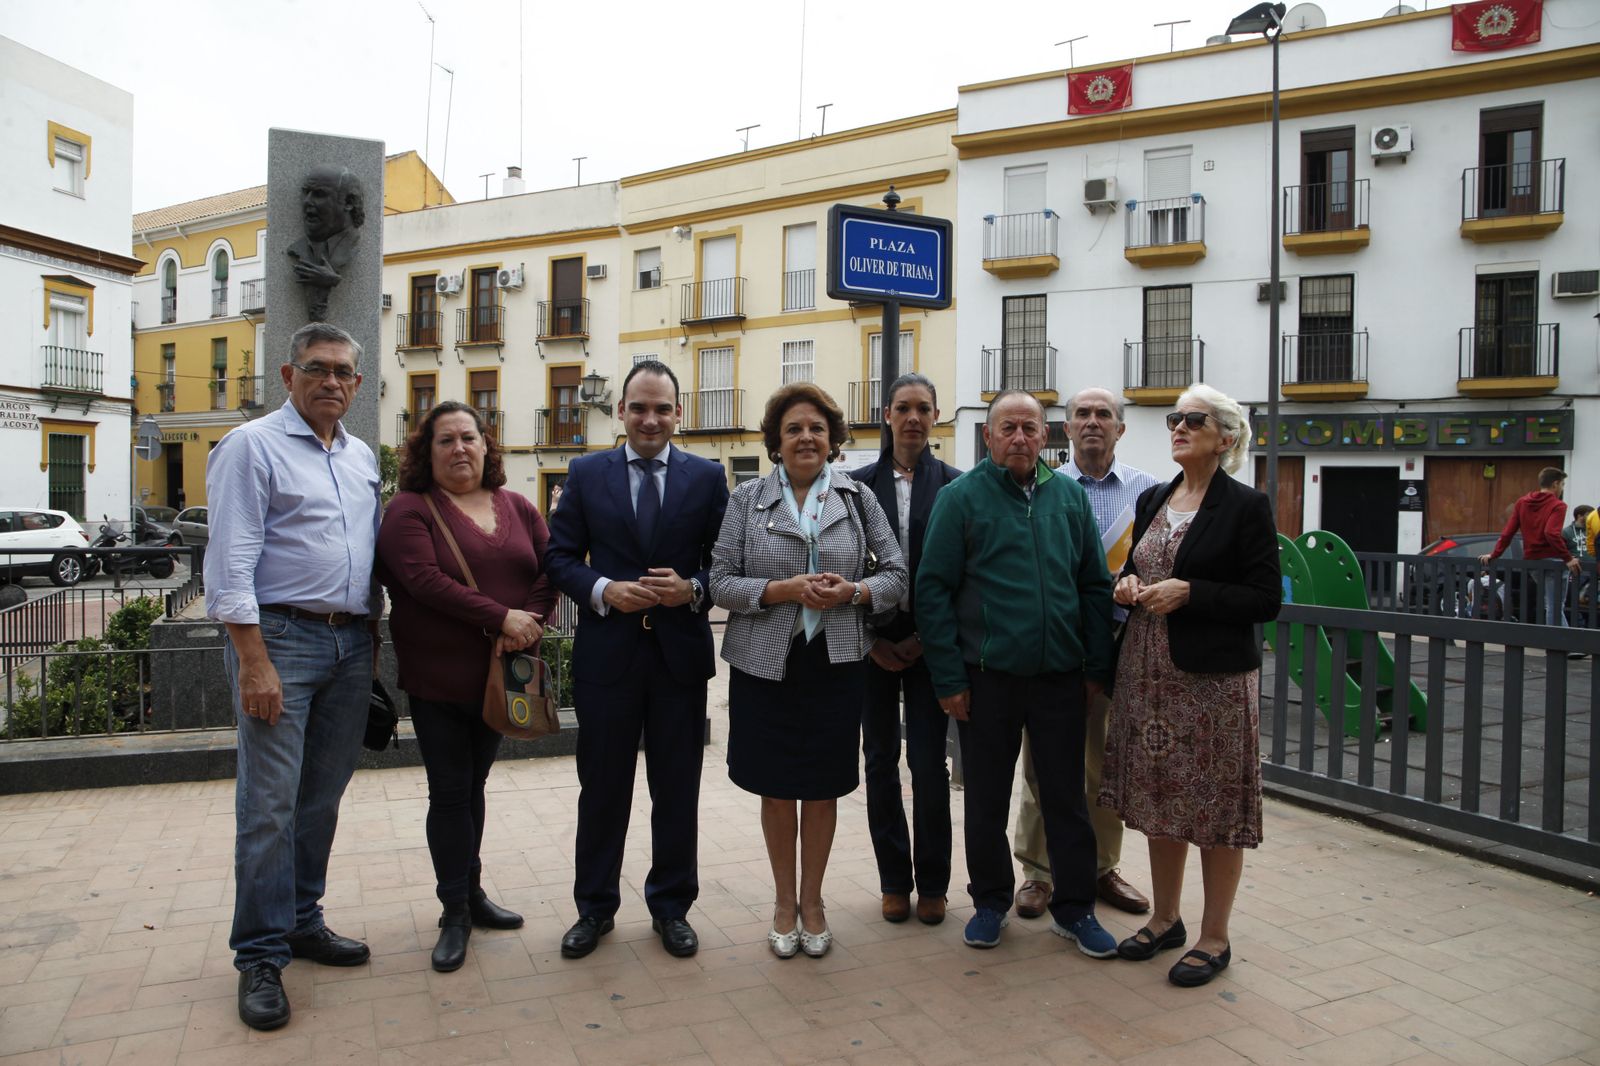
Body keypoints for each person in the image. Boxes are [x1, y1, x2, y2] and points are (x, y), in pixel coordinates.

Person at [204, 322, 383, 1031]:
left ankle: (302, 921)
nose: (331, 381)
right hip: (278, 640)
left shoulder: (362, 456)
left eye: (343, 371)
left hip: (349, 647)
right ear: (288, 376)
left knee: (321, 801)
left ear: (358, 384)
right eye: (317, 369)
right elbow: (229, 566)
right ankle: (259, 956)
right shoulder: (251, 447)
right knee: (270, 807)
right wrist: (253, 662)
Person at [915, 390, 1118, 957]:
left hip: (1060, 678)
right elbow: (932, 590)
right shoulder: (962, 499)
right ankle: (989, 903)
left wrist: (1095, 665)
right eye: (1009, 427)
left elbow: (1093, 587)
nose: (1020, 437)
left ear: (1048, 435)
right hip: (987, 679)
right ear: (988, 436)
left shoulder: (1069, 497)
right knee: (985, 797)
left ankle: (1074, 909)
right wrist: (949, 678)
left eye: (1031, 427)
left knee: (1067, 798)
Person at [711, 383, 907, 959]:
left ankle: (814, 903)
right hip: (764, 668)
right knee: (776, 789)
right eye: (794, 428)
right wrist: (779, 590)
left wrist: (857, 590)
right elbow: (720, 580)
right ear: (776, 441)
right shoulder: (747, 499)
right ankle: (781, 903)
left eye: (817, 429)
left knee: (822, 789)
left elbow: (896, 573)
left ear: (833, 440)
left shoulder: (857, 499)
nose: (806, 438)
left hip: (837, 662)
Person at [544, 361, 729, 960]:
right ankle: (594, 909)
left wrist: (692, 590)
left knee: (676, 789)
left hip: (678, 660)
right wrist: (603, 590)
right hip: (607, 659)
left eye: (663, 408)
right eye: (640, 408)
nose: (651, 419)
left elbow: (724, 565)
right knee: (602, 789)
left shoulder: (706, 477)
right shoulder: (585, 472)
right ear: (621, 411)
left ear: (679, 413)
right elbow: (560, 556)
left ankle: (671, 908)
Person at [1101, 384, 1281, 988]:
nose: (1176, 426)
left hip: (1212, 687)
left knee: (1215, 808)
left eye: (1192, 419)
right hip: (1147, 676)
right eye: (1174, 417)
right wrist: (1126, 586)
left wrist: (1193, 593)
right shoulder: (1156, 496)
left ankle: (1215, 934)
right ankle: (1166, 918)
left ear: (1225, 437)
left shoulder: (1245, 505)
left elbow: (1266, 599)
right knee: (1158, 801)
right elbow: (1135, 568)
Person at [376, 401, 558, 973]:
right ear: (425, 454)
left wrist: (527, 622)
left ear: (487, 445)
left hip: (501, 677)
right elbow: (422, 581)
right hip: (440, 677)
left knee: (474, 785)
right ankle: (453, 910)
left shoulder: (519, 506)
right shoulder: (410, 510)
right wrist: (501, 618)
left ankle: (472, 893)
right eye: (445, 440)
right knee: (450, 791)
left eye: (469, 438)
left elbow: (552, 569)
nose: (459, 448)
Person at [1012, 387, 1159, 923]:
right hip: (1049, 649)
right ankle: (1038, 872)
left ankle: (1100, 867)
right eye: (1082, 414)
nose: (1093, 422)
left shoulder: (1150, 492)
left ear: (1121, 429)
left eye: (1104, 415)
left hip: (1118, 651)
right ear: (1065, 429)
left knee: (1102, 765)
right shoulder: (1039, 487)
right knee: (1041, 767)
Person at [851, 373, 962, 926]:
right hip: (872, 645)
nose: (913, 417)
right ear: (887, 415)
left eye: (923, 408)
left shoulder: (957, 485)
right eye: (903, 408)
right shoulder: (853, 486)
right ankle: (894, 880)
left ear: (936, 416)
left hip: (931, 648)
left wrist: (927, 639)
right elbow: (842, 564)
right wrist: (871, 641)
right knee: (878, 764)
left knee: (928, 766)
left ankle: (935, 885)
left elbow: (967, 577)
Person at [1479, 467, 1580, 629]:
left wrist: (1494, 554)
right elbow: (1551, 533)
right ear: (1555, 484)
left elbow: (1508, 532)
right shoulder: (1558, 505)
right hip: (1553, 560)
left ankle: (1565, 644)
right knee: (1554, 606)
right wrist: (1568, 558)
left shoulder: (1522, 502)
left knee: (1551, 605)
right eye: (1562, 484)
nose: (1562, 488)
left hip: (1532, 561)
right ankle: (1562, 645)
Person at [287, 165, 365, 321]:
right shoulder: (299, 248)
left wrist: (332, 280)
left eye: (319, 194)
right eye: (306, 193)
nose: (307, 201)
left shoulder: (352, 247)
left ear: (348, 203)